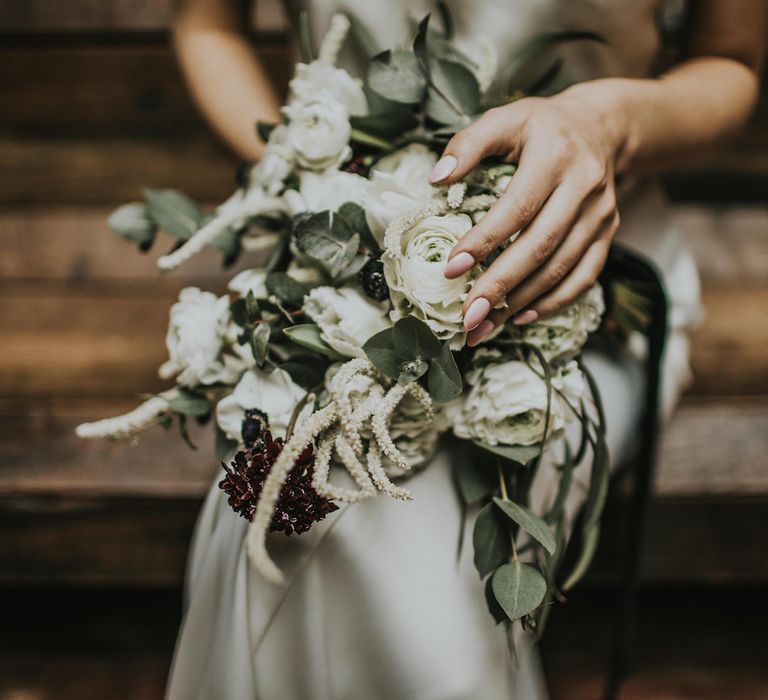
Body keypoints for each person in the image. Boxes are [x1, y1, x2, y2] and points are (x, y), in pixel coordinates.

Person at [165, 1, 765, 698]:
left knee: (391, 537)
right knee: (285, 498)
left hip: (583, 295)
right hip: (340, 275)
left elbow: (732, 65)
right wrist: (321, 177)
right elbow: (207, 26)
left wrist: (608, 123)